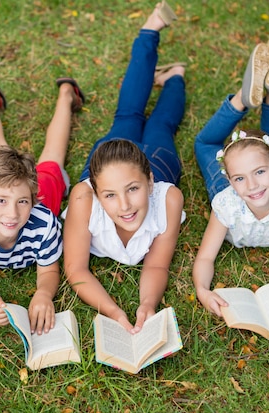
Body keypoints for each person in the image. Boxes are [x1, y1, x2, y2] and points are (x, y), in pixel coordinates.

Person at [62, 1, 186, 334]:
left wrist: (147, 305)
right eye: (111, 196)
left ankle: (175, 78)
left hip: (155, 160)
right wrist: (116, 313)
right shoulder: (83, 199)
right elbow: (76, 270)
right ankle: (151, 29)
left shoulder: (167, 198)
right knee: (129, 117)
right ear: (96, 192)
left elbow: (158, 262)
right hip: (111, 160)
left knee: (160, 124)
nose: (125, 205)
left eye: (133, 190)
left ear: (148, 182)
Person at [192, 36, 269, 317]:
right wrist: (202, 289)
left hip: (264, 170)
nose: (251, 186)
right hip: (223, 186)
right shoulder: (226, 202)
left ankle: (263, 94)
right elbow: (206, 256)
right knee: (209, 146)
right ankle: (254, 97)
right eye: (240, 178)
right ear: (231, 178)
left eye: (259, 173)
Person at [0, 73, 85, 335]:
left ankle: (66, 94)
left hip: (42, 188)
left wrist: (44, 294)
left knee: (52, 157)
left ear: (32, 200)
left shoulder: (43, 221)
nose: (12, 213)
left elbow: (48, 269)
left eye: (22, 202)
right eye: (1, 202)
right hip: (12, 186)